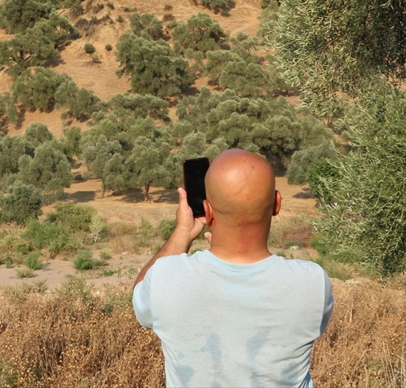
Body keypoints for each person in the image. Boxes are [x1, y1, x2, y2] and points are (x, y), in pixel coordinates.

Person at [133, 148, 333, 387]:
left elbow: (140, 294)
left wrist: (183, 232)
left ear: (207, 211)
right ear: (277, 204)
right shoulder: (313, 283)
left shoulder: (166, 279)